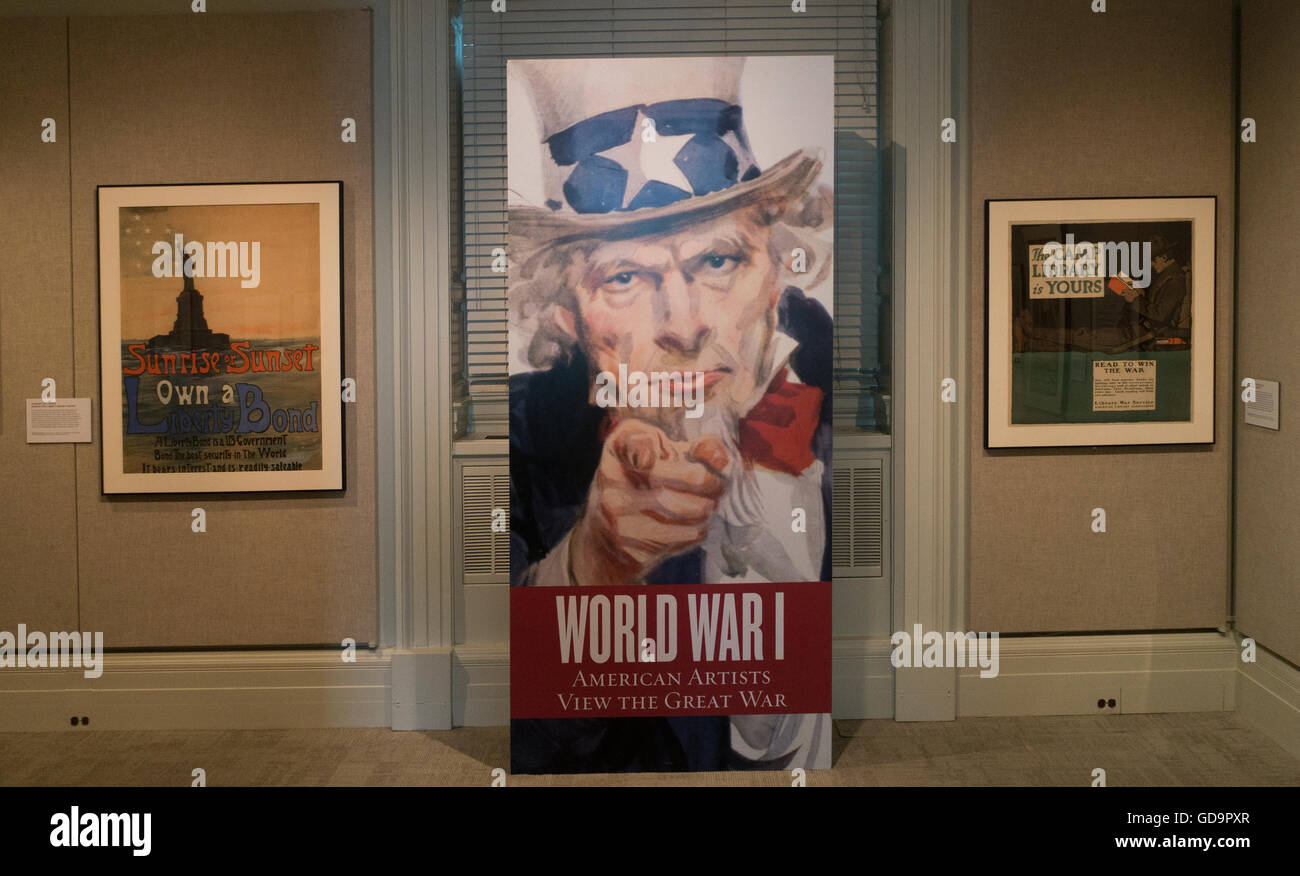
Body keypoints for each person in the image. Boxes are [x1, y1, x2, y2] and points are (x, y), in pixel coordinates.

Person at [507, 57, 833, 772]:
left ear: (775, 271)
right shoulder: (521, 447)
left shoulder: (839, 416)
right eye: (625, 277)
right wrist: (592, 565)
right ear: (567, 314)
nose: (684, 326)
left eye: (719, 261)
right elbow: (532, 744)